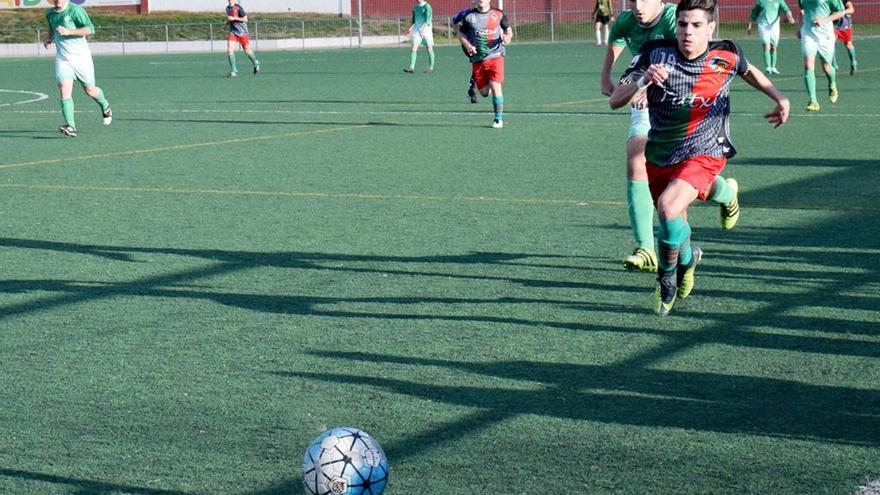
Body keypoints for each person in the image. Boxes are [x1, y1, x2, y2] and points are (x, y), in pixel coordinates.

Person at [609, 0, 790, 316]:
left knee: (667, 207)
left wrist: (779, 97)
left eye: (695, 26)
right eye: (682, 25)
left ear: (710, 28)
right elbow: (615, 99)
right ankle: (689, 259)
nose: (687, 32)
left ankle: (667, 280)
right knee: (677, 225)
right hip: (662, 155)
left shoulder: (725, 56)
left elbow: (748, 71)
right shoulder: (654, 54)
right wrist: (642, 80)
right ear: (675, 26)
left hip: (706, 151)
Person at [600, 0, 677, 273]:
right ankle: (646, 248)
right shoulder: (625, 20)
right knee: (636, 161)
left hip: (681, 99)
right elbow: (617, 38)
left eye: (645, 0)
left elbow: (692, 56)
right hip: (643, 94)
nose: (638, 6)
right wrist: (606, 75)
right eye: (633, 0)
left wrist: (654, 83)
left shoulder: (674, 18)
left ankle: (725, 192)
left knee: (682, 174)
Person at [43, 0, 112, 138]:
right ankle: (71, 126)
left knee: (90, 90)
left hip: (81, 58)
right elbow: (52, 28)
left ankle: (105, 106)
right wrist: (50, 39)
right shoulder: (50, 13)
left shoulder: (75, 10)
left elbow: (90, 29)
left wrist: (68, 31)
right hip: (63, 59)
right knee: (64, 89)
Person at [457, 0, 513, 128]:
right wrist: (468, 45)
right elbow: (461, 33)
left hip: (496, 55)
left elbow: (508, 31)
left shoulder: (498, 14)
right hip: (478, 59)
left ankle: (498, 119)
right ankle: (479, 83)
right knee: (484, 93)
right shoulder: (469, 17)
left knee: (495, 85)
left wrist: (507, 38)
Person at [798, 0, 845, 111]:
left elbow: (841, 12)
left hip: (825, 35)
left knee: (826, 66)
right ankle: (813, 101)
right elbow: (802, 11)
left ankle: (832, 85)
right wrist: (799, 28)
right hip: (808, 33)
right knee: (808, 65)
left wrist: (824, 20)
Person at [747, 0, 796, 75]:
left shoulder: (779, 1)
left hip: (774, 26)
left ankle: (773, 67)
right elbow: (753, 14)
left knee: (774, 47)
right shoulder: (760, 1)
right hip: (763, 25)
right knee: (766, 45)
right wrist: (749, 27)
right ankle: (768, 67)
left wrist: (790, 17)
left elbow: (786, 10)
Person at [226, 0, 260, 78]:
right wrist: (228, 22)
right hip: (233, 32)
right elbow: (231, 19)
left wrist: (234, 18)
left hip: (242, 32)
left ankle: (256, 62)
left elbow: (245, 19)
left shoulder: (239, 8)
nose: (230, 1)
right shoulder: (227, 8)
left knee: (247, 50)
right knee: (229, 50)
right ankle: (234, 71)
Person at [453, 0, 479, 102]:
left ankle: (472, 89)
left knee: (480, 64)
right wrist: (458, 34)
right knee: (477, 63)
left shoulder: (485, 14)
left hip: (480, 44)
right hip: (468, 45)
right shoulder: (465, 13)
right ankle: (472, 89)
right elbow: (454, 20)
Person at [404, 0, 435, 73]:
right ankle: (411, 67)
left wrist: (423, 29)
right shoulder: (415, 7)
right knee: (414, 48)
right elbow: (414, 20)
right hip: (417, 30)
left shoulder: (427, 6)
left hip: (426, 30)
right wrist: (410, 27)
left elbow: (428, 19)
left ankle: (431, 67)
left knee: (429, 48)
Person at [833, 0, 857, 75]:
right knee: (830, 43)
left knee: (848, 44)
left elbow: (851, 9)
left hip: (844, 24)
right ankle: (833, 64)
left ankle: (853, 62)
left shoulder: (843, 1)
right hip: (833, 25)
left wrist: (842, 12)